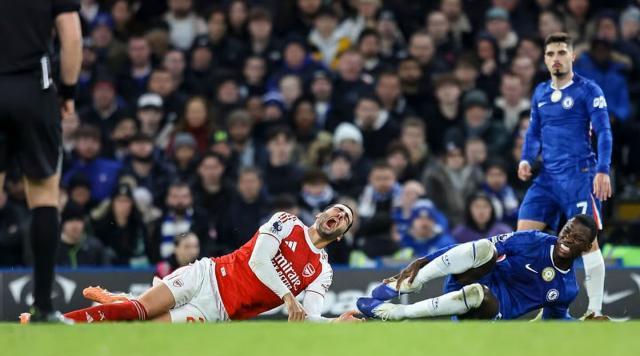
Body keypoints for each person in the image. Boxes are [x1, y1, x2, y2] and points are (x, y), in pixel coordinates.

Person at [32, 204, 361, 324]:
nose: (339, 215)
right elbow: (260, 261)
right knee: (140, 312)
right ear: (321, 213)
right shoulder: (286, 222)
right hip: (207, 275)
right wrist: (288, 297)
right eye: (336, 209)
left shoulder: (322, 271)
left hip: (216, 311)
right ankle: (51, 322)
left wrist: (333, 323)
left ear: (341, 235)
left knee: (142, 328)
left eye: (346, 218)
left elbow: (310, 315)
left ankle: (121, 299)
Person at [518, 33, 613, 318]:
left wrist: (603, 170)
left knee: (587, 241)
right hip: (546, 178)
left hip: (579, 175)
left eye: (561, 52)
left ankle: (594, 311)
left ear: (572, 56)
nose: (556, 59)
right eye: (550, 54)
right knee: (523, 239)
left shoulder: (588, 90)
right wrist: (526, 158)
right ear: (545, 59)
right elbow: (534, 132)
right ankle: (542, 309)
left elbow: (604, 131)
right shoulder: (540, 92)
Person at [358, 215, 609, 321]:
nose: (567, 239)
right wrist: (422, 260)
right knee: (486, 248)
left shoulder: (567, 288)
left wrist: (582, 326)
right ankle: (410, 283)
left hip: (486, 312)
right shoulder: (533, 240)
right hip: (466, 279)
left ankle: (397, 313)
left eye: (577, 239)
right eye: (567, 231)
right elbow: (470, 248)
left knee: (479, 294)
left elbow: (555, 322)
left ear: (587, 248)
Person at [0, 0, 82, 321]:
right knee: (45, 195)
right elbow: (71, 36)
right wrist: (69, 91)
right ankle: (44, 306)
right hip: (35, 89)